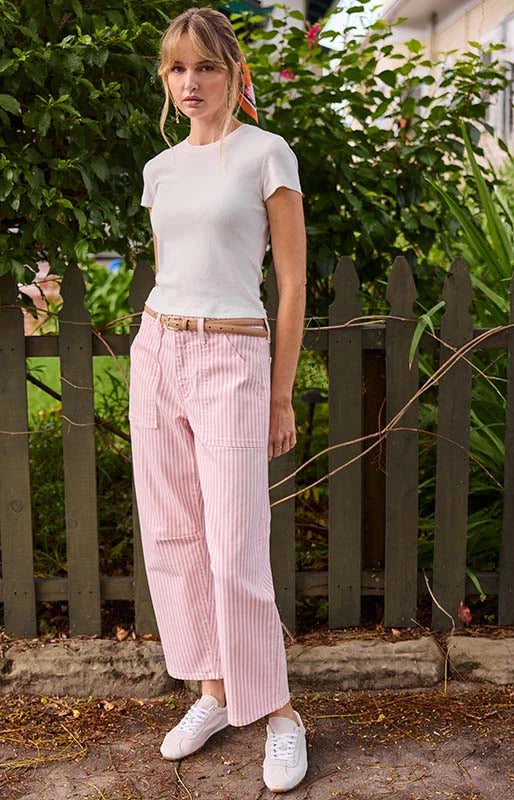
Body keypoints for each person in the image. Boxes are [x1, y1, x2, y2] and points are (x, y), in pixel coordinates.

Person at [129, 6, 307, 793]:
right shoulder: (161, 170)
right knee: (172, 534)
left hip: (234, 354)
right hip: (159, 348)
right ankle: (211, 691)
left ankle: (279, 715)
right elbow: (176, 268)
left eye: (204, 65)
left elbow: (292, 283)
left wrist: (280, 395)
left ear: (234, 72)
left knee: (236, 545)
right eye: (176, 68)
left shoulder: (267, 155)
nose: (189, 81)